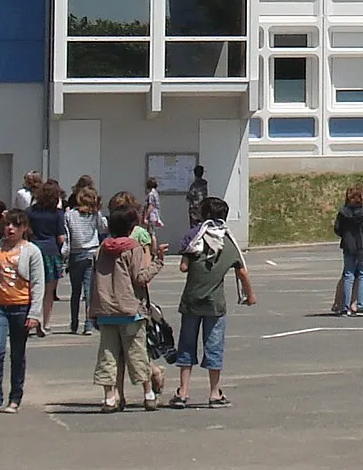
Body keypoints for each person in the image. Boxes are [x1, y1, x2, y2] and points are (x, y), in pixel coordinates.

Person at [171, 197, 253, 409]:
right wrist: (249, 295)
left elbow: (183, 267)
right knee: (214, 347)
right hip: (215, 304)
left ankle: (183, 391)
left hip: (191, 300)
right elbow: (242, 271)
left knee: (187, 346)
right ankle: (215, 393)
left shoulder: (194, 237)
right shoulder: (228, 242)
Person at [89, 202, 161, 411]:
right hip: (130, 309)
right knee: (137, 352)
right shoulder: (134, 249)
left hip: (105, 309)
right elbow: (140, 278)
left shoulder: (101, 250)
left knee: (108, 355)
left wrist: (92, 308)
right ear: (131, 228)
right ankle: (148, 394)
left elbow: (94, 280)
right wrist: (158, 262)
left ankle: (110, 398)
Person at [0, 209, 45, 412]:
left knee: (18, 354)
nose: (10, 228)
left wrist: (34, 313)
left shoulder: (31, 251)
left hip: (21, 307)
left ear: (24, 228)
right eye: (8, 224)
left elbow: (38, 283)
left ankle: (15, 398)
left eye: (16, 225)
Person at [333, 185, 363, 317]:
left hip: (348, 246)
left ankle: (345, 306)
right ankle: (360, 306)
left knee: (348, 275)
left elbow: (337, 228)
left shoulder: (343, 211)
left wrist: (346, 235)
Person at [64, 185, 105, 334]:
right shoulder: (95, 215)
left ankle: (74, 323)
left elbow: (67, 237)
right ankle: (88, 324)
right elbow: (103, 228)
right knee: (89, 291)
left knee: (75, 291)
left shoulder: (69, 215)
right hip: (92, 252)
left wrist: (65, 255)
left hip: (76, 253)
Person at [27, 181, 67, 333]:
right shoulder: (57, 214)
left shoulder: (30, 212)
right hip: (51, 251)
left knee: (32, 288)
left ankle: (32, 318)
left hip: (33, 250)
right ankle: (46, 323)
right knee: (48, 292)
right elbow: (61, 237)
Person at [185, 165, 209, 232]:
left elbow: (189, 196)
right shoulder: (204, 183)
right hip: (203, 207)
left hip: (195, 208)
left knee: (194, 228)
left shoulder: (194, 185)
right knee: (202, 226)